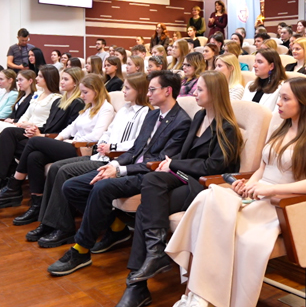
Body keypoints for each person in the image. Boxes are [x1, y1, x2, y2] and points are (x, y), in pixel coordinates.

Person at [165, 77, 306, 307]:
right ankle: (198, 294)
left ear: (303, 102)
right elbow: (262, 168)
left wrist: (270, 189)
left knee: (210, 204)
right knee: (207, 196)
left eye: (285, 98)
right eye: (279, 97)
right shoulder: (279, 131)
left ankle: (202, 297)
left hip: (280, 204)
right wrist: (247, 185)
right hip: (256, 196)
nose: (278, 103)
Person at [116, 70, 243, 306]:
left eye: (201, 89)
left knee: (145, 209)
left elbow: (215, 165)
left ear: (214, 93)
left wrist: (174, 163)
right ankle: (154, 255)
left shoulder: (227, 127)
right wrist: (171, 166)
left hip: (206, 184)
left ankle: (137, 284)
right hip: (184, 176)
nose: (194, 92)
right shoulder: (198, 117)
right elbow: (185, 155)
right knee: (153, 181)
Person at [47, 71, 191, 276]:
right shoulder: (152, 115)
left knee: (101, 187)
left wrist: (121, 170)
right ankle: (116, 225)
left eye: (152, 89)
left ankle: (81, 249)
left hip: (148, 175)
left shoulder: (181, 122)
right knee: (72, 186)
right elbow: (134, 150)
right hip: (129, 166)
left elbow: (158, 162)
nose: (148, 94)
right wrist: (114, 164)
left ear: (167, 91)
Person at [28, 73, 152, 247]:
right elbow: (108, 131)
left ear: (139, 90)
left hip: (115, 160)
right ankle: (48, 223)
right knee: (56, 167)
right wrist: (103, 143)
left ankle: (64, 228)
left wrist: (112, 148)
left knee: (64, 171)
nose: (123, 91)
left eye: (127, 88)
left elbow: (138, 142)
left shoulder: (146, 112)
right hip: (101, 155)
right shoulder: (124, 109)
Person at [0, 74, 115, 219]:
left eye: (85, 92)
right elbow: (70, 128)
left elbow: (95, 137)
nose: (82, 95)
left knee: (34, 142)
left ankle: (14, 185)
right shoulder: (88, 108)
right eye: (82, 92)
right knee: (35, 157)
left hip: (82, 150)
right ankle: (37, 203)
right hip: (71, 144)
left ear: (96, 92)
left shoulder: (106, 108)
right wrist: (58, 139)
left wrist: (66, 142)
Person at [241, 48, 286, 112]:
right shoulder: (250, 85)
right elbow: (242, 110)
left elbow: (277, 115)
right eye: (255, 61)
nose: (254, 65)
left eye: (259, 62)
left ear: (271, 66)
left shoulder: (282, 87)